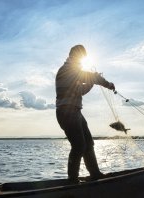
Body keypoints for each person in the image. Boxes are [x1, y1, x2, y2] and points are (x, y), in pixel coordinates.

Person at [55, 45, 115, 182]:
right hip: (66, 112)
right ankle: (72, 180)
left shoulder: (73, 71)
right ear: (74, 56)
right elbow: (88, 81)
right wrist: (107, 84)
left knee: (88, 142)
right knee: (79, 145)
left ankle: (95, 174)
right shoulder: (67, 70)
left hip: (74, 111)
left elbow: (82, 88)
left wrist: (93, 80)